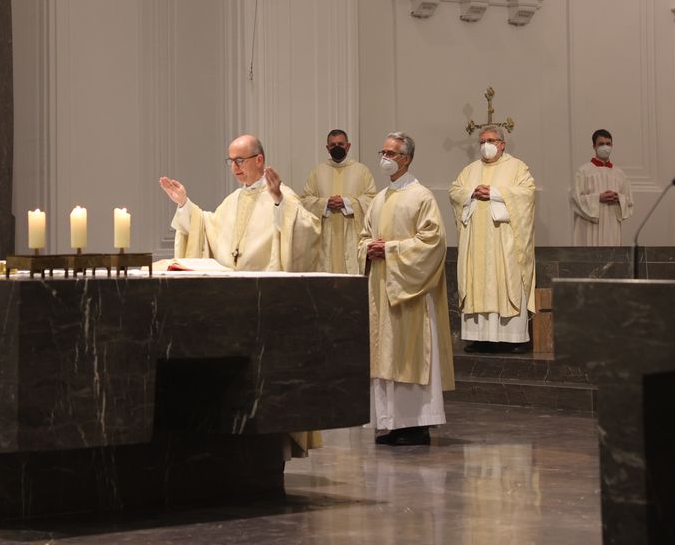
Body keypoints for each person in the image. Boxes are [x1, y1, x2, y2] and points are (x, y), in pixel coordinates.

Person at [359, 131, 454, 446]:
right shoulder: (379, 198)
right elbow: (363, 237)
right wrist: (368, 249)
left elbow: (433, 242)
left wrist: (390, 250)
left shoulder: (421, 196)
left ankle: (416, 425)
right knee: (384, 353)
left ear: (407, 158)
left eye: (391, 152)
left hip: (408, 292)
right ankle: (390, 423)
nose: (384, 157)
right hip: (381, 290)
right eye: (382, 151)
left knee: (409, 354)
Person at [160, 134, 322, 271]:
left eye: (239, 160)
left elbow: (307, 230)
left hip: (265, 290)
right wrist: (183, 203)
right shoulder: (232, 200)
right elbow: (206, 227)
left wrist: (279, 202)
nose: (234, 167)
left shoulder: (282, 195)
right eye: (231, 161)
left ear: (259, 160)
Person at [449, 125, 536, 353]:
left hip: (504, 241)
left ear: (502, 144)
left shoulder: (517, 167)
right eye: (482, 141)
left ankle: (513, 339)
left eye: (491, 140)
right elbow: (455, 191)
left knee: (506, 281)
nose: (486, 145)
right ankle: (480, 338)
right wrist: (471, 193)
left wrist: (496, 193)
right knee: (477, 281)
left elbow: (527, 194)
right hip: (476, 241)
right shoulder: (469, 171)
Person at [299, 129, 377, 274]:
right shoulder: (317, 172)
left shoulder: (362, 171)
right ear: (327, 148)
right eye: (333, 144)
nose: (337, 147)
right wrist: (325, 203)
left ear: (348, 146)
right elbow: (305, 201)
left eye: (340, 144)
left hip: (352, 238)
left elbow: (372, 200)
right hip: (325, 240)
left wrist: (347, 203)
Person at [570, 129, 634, 246]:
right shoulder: (584, 171)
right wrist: (598, 198)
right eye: (601, 144)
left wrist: (618, 198)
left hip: (611, 224)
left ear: (612, 145)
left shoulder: (619, 174)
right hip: (589, 225)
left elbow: (629, 201)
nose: (605, 147)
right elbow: (575, 199)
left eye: (608, 144)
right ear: (594, 146)